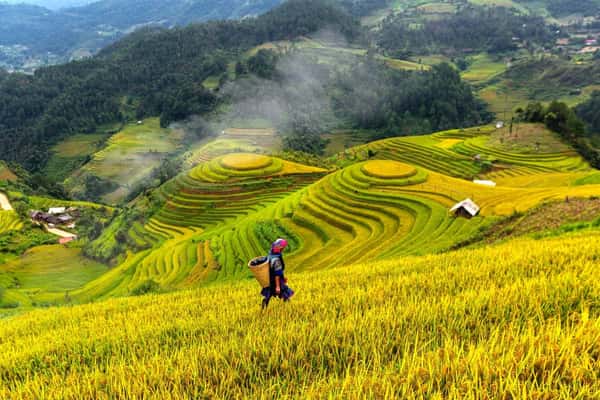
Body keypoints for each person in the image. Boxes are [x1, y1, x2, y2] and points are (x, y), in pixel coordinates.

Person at [261, 238, 294, 309]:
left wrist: (283, 277)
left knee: (269, 292)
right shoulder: (276, 260)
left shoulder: (270, 255)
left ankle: (265, 303)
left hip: (269, 279)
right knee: (284, 292)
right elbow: (277, 273)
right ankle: (289, 306)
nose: (283, 249)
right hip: (276, 280)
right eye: (283, 248)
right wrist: (278, 286)